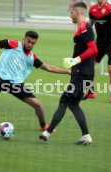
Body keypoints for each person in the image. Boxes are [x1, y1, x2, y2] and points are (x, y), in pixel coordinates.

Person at [0, 31, 71, 132]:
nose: (30, 44)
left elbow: (48, 68)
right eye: (28, 41)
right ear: (24, 39)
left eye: (33, 43)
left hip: (16, 84)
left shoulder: (32, 57)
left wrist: (67, 72)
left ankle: (43, 125)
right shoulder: (12, 44)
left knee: (37, 105)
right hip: (0, 78)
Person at [39, 2, 98, 145]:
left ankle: (47, 132)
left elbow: (93, 49)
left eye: (71, 13)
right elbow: (89, 54)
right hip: (82, 73)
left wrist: (76, 60)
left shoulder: (85, 27)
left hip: (81, 74)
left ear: (77, 12)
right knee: (73, 104)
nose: (70, 16)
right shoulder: (83, 28)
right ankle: (86, 136)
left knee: (64, 101)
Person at [85, 0, 111, 104]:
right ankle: (91, 92)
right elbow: (89, 27)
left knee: (110, 69)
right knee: (89, 65)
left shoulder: (110, 9)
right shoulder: (92, 9)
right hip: (99, 43)